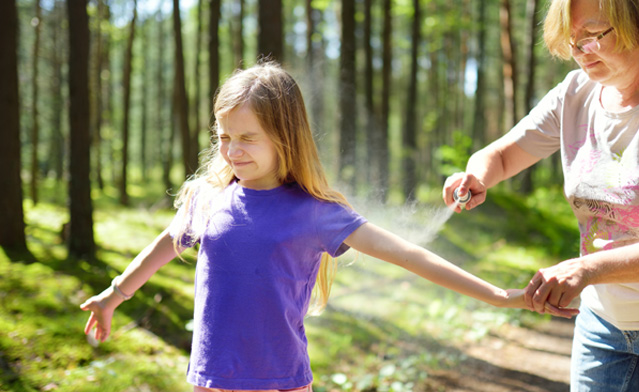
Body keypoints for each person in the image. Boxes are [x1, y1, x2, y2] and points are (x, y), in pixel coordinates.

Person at [80, 62, 564, 392]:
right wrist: (113, 295)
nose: (232, 150)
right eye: (224, 137)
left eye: (248, 138)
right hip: (209, 380)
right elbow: (166, 243)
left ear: (284, 137)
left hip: (283, 383)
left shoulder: (314, 212)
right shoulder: (208, 199)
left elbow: (410, 255)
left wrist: (501, 296)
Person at [443, 0, 639, 390]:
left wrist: (586, 269)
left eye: (592, 36)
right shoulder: (575, 92)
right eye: (572, 40)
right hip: (602, 321)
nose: (579, 53)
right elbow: (503, 154)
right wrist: (474, 175)